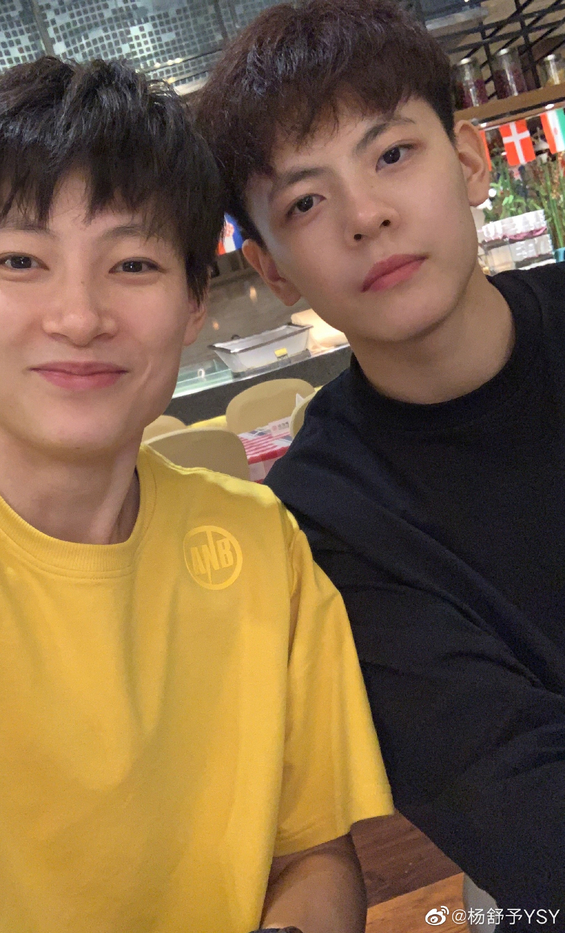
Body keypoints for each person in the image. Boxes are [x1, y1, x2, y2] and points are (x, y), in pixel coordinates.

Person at [0, 56, 393, 933]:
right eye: (22, 260)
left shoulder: (261, 542)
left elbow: (313, 855)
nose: (79, 316)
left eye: (134, 263)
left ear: (192, 304)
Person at [196, 0, 565, 921]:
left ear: (471, 160)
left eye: (393, 153)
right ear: (274, 270)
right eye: (306, 202)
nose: (366, 216)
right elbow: (516, 805)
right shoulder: (325, 522)